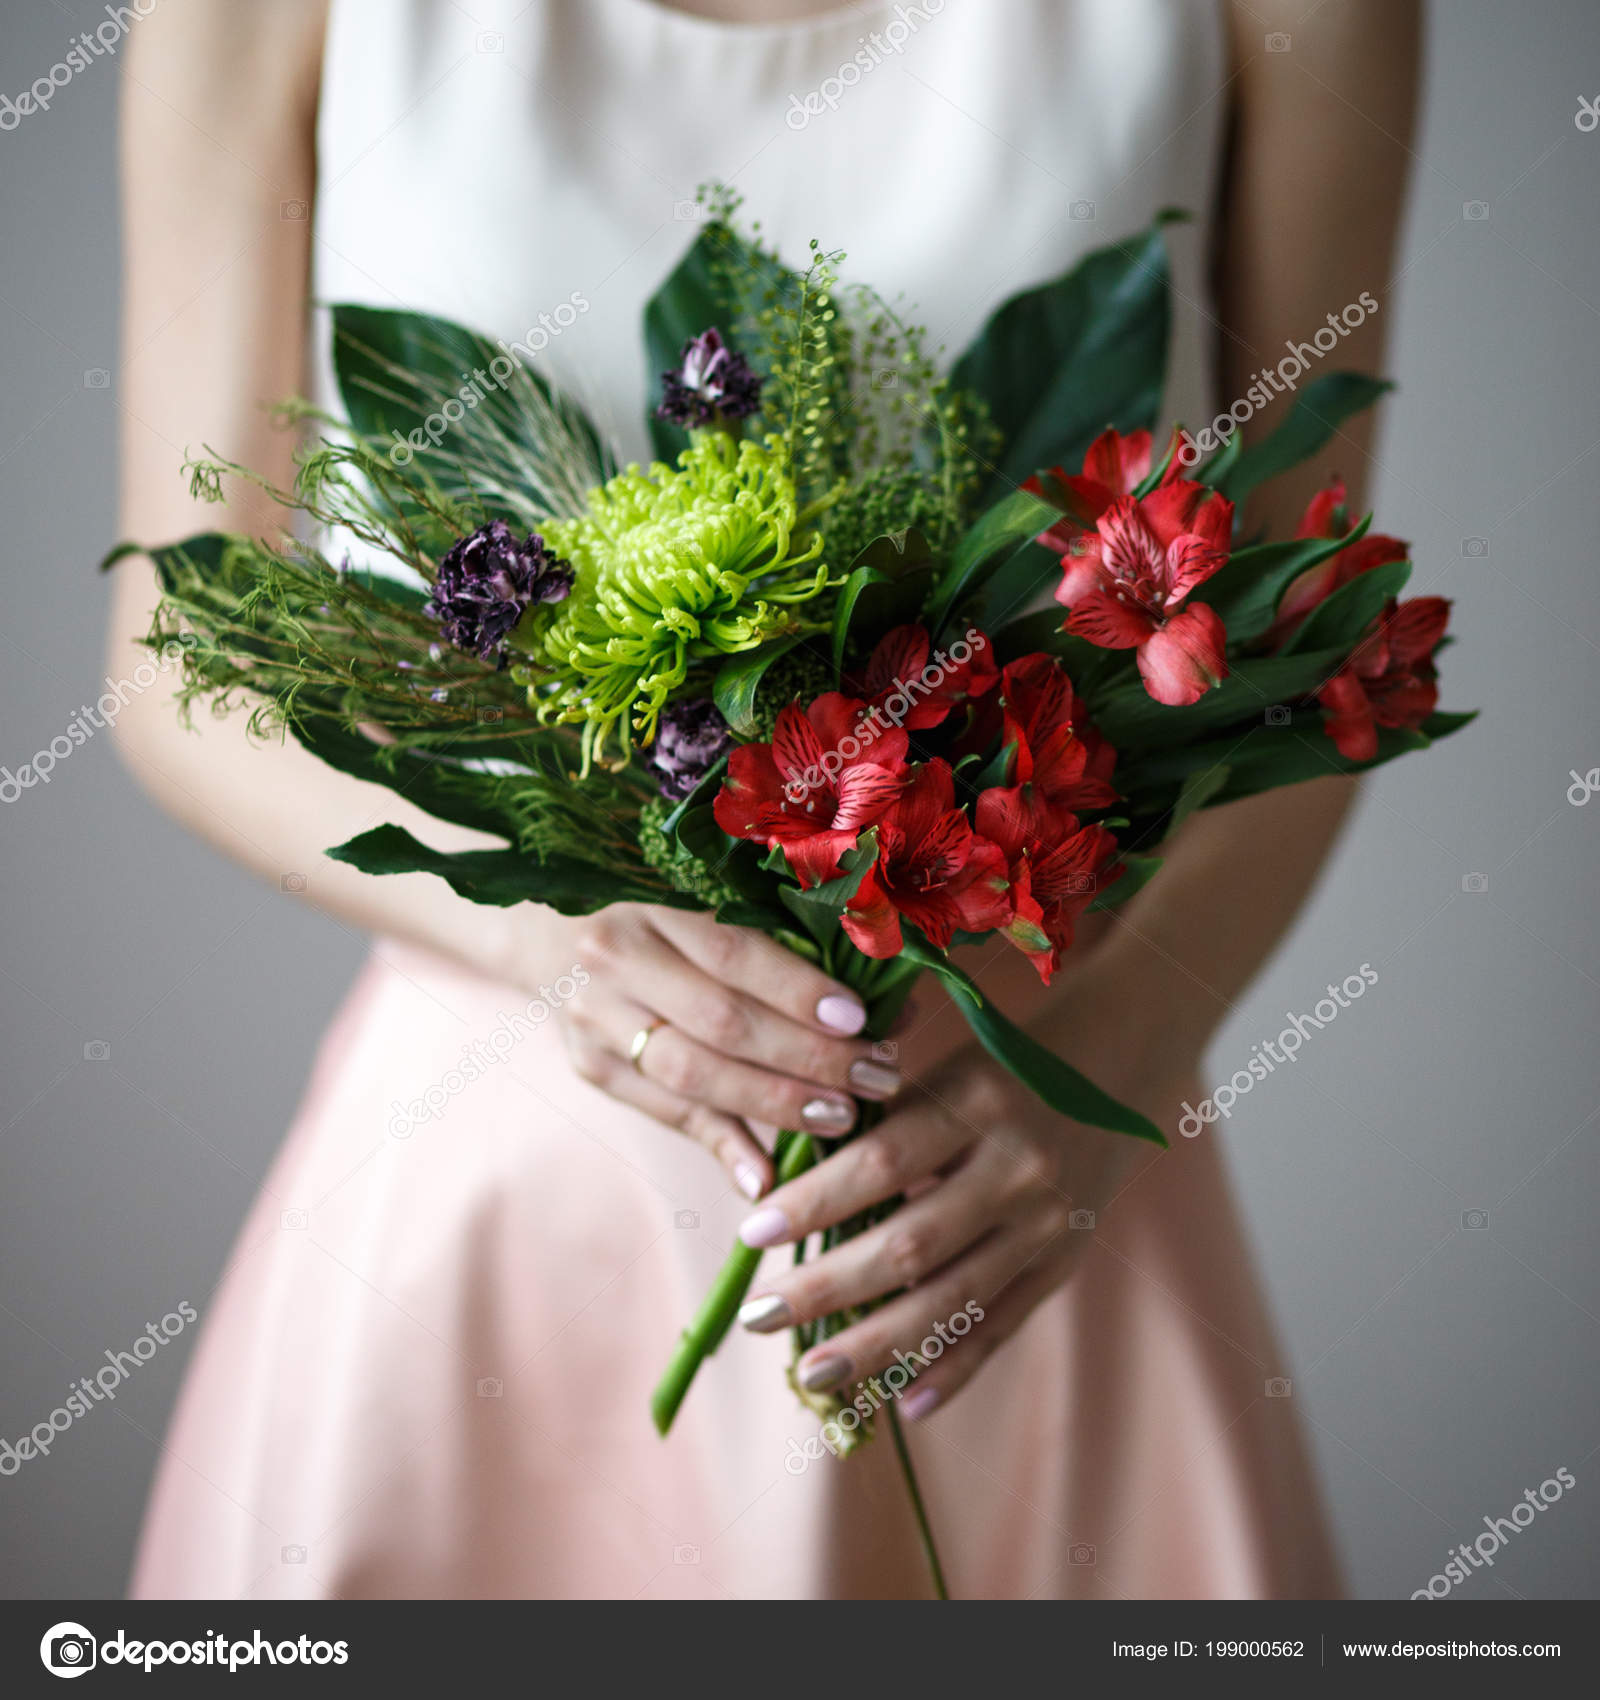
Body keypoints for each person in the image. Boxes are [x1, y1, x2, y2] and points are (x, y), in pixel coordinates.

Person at [113, 0, 1419, 1598]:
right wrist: (555, 942)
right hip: (499, 1197)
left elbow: (1316, 659)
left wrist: (1097, 1075)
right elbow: (182, 669)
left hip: (1003, 1180)